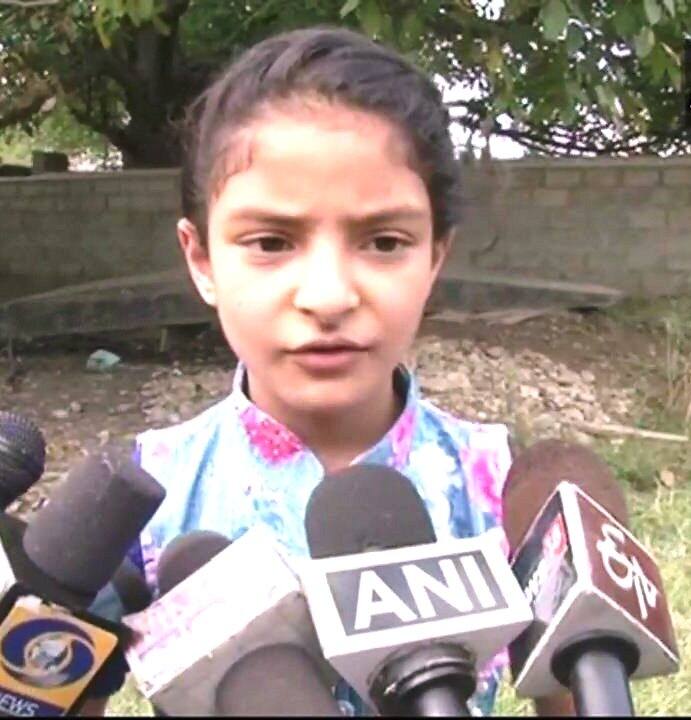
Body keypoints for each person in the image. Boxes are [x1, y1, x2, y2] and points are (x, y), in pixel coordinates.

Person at [82, 25, 574, 716]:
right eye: (270, 242)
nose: (328, 296)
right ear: (201, 260)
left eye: (384, 242)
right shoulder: (140, 504)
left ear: (435, 256)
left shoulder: (501, 488)